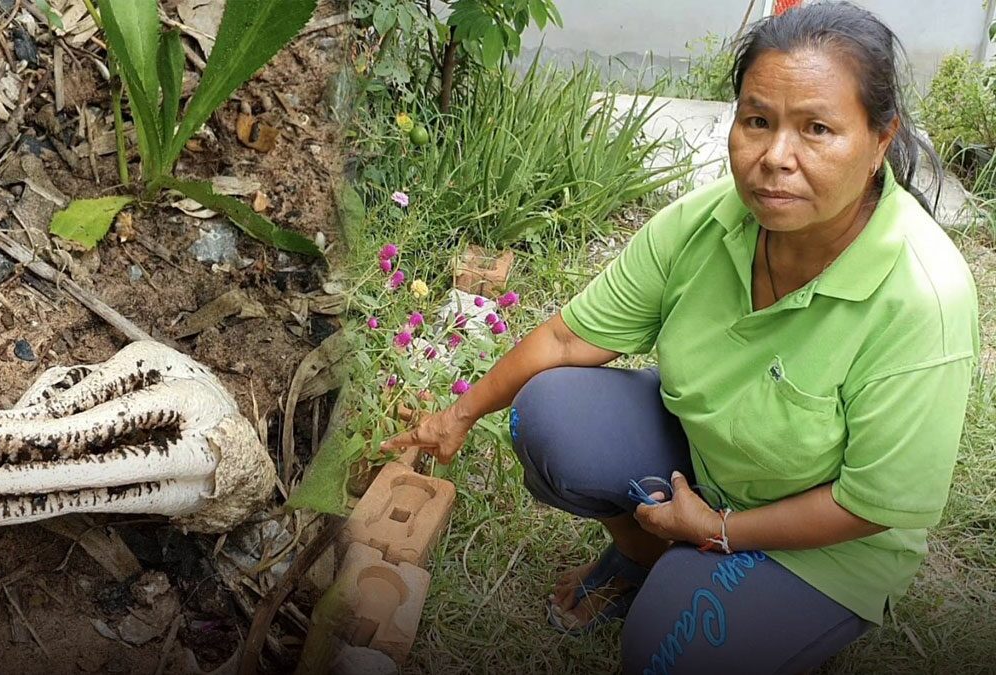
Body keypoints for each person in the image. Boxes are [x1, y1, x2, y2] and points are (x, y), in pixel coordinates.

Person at [382, 2, 980, 673]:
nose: (776, 157)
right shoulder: (705, 223)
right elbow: (564, 339)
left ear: (878, 139)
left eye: (817, 128)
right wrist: (457, 414)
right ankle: (645, 555)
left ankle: (747, 588)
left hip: (828, 542)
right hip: (707, 463)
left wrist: (719, 530)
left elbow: (868, 505)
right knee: (547, 412)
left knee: (666, 652)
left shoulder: (923, 295)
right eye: (757, 121)